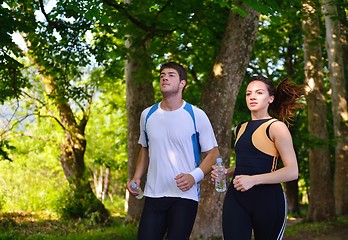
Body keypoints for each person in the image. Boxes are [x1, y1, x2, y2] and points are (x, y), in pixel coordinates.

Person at [127, 62, 219, 240]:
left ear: (182, 83)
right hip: (153, 194)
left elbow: (214, 154)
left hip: (185, 197)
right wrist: (137, 177)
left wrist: (194, 176)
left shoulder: (196, 114)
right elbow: (145, 149)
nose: (164, 78)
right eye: (162, 75)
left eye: (170, 75)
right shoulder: (147, 115)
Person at [211, 75, 304, 240]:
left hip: (268, 201)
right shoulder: (239, 128)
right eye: (248, 93)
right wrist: (227, 172)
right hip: (237, 198)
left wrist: (253, 180)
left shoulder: (277, 127)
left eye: (259, 92)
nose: (252, 97)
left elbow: (292, 171)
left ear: (270, 98)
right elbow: (249, 164)